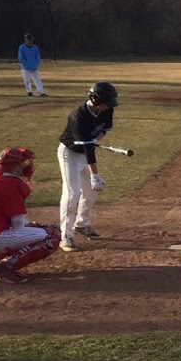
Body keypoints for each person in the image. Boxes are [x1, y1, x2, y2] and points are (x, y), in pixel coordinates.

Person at [0, 147, 61, 284]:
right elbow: (17, 223)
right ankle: (5, 267)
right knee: (51, 236)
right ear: (15, 166)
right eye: (23, 163)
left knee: (23, 232)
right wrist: (33, 226)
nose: (26, 166)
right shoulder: (11, 184)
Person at [57, 80, 118, 250]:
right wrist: (95, 175)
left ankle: (82, 224)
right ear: (96, 100)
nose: (109, 106)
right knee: (72, 194)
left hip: (85, 151)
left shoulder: (107, 109)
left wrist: (95, 140)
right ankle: (66, 236)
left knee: (90, 192)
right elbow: (87, 150)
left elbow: (104, 129)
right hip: (69, 154)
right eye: (106, 102)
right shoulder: (78, 115)